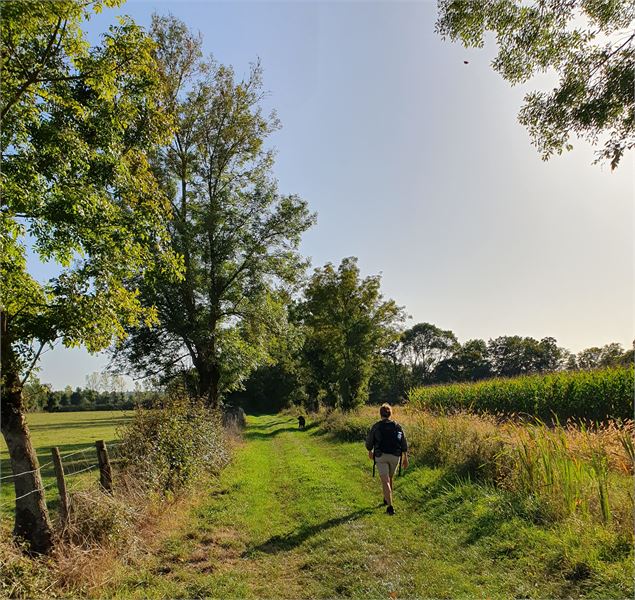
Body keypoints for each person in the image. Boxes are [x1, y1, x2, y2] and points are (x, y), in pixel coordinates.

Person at [365, 403, 408, 515]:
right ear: (390, 414)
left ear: (380, 414)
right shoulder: (397, 426)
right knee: (390, 478)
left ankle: (390, 506)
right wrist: (405, 458)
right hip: (395, 456)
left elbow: (370, 441)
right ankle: (387, 498)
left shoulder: (376, 426)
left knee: (385, 481)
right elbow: (403, 442)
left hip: (381, 456)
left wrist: (370, 450)